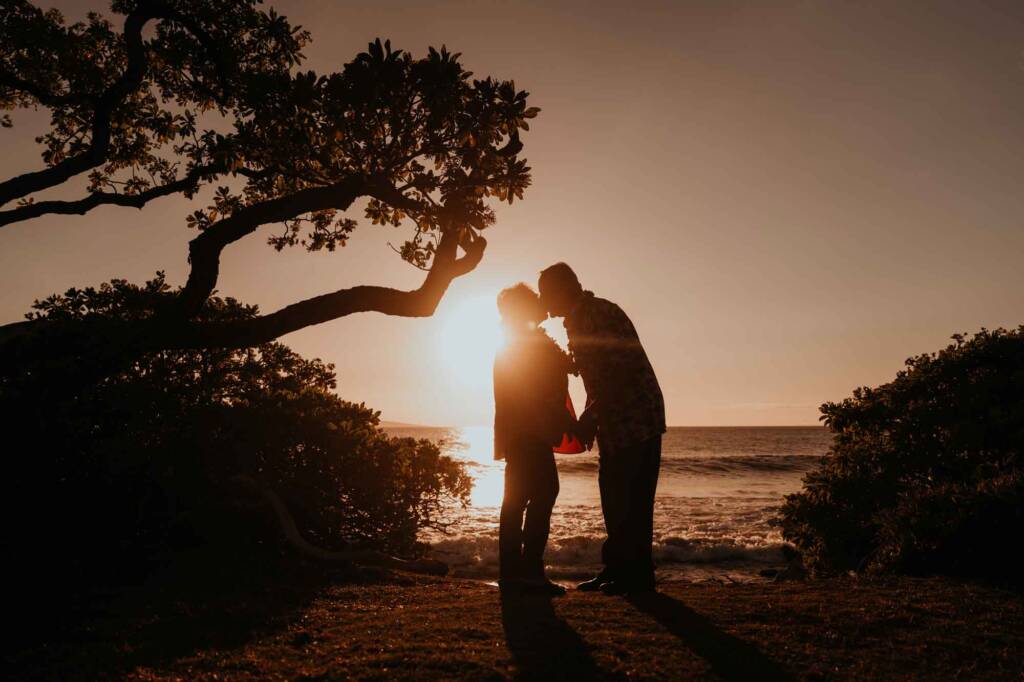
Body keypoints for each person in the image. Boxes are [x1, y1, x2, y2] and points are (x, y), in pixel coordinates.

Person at [538, 263, 666, 594]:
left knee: (628, 496)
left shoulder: (592, 317)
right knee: (617, 493)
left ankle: (633, 575)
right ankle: (620, 570)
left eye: (546, 293)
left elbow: (613, 377)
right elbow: (597, 378)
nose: (543, 300)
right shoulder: (585, 316)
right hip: (624, 417)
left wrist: (588, 420)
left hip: (633, 416)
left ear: (564, 289)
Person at [493, 283, 577, 595]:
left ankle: (516, 572)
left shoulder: (523, 340)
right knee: (538, 493)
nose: (542, 301)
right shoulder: (525, 343)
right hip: (529, 430)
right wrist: (569, 422)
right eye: (534, 299)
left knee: (518, 498)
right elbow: (540, 393)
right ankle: (526, 572)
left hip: (524, 430)